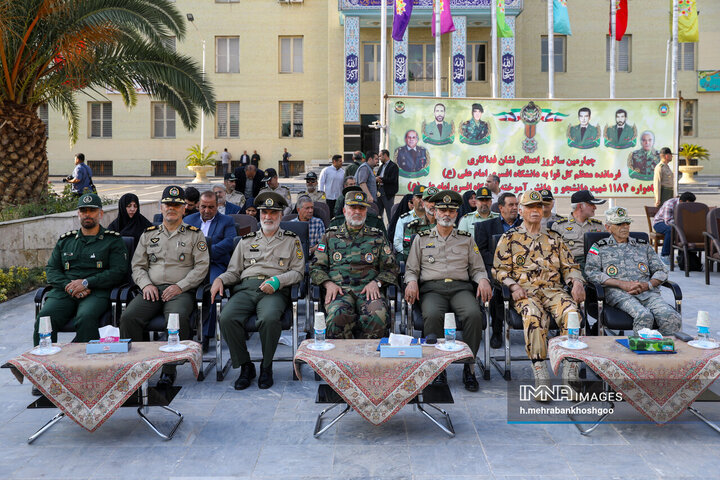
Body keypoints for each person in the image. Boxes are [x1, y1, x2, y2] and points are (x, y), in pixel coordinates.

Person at [493, 190, 585, 397]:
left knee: (572, 314)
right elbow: (498, 270)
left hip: (554, 291)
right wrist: (513, 286)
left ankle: (570, 371)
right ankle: (540, 372)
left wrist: (576, 282)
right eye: (530, 207)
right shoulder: (509, 238)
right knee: (533, 317)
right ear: (521, 211)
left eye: (538, 207)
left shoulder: (554, 238)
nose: (535, 211)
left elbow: (570, 266)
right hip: (526, 292)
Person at [211, 191, 304, 390]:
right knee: (227, 318)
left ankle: (266, 366)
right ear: (259, 215)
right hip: (245, 289)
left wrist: (278, 281)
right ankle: (245, 366)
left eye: (273, 213)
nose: (268, 217)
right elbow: (233, 272)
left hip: (275, 290)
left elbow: (298, 272)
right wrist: (220, 279)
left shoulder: (291, 240)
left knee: (269, 319)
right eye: (264, 213)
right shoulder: (246, 240)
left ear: (280, 215)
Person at [119, 186, 209, 388]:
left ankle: (169, 371)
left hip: (180, 292)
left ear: (184, 208)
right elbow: (138, 266)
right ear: (161, 206)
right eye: (168, 204)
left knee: (174, 320)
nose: (172, 208)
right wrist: (146, 284)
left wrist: (180, 286)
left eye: (177, 205)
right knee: (128, 317)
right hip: (151, 289)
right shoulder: (148, 234)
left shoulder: (195, 235)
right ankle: (137, 366)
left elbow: (202, 267)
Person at [404, 190, 492, 391]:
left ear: (456, 214)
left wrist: (484, 280)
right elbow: (411, 269)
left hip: (460, 288)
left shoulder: (466, 238)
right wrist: (411, 282)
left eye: (451, 211)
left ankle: (469, 367)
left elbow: (477, 268)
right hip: (432, 289)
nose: (446, 214)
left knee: (473, 314)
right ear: (434, 212)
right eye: (442, 210)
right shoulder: (422, 238)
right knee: (432, 315)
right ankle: (437, 368)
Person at [34, 192, 128, 346]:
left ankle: (86, 365)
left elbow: (118, 272)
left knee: (86, 317)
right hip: (65, 291)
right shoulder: (66, 241)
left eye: (92, 210)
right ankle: (44, 363)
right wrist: (69, 286)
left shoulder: (113, 240)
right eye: (83, 211)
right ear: (78, 214)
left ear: (100, 213)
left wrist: (86, 283)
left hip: (96, 291)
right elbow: (52, 269)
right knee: (45, 317)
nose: (87, 215)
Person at [311, 190, 399, 339]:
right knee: (337, 316)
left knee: (378, 315)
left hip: (368, 290)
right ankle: (340, 360)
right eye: (353, 208)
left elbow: (392, 268)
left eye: (361, 208)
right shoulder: (330, 236)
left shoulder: (377, 237)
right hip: (339, 290)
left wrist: (377, 283)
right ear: (345, 210)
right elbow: (316, 267)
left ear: (366, 211)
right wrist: (327, 284)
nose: (357, 212)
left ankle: (370, 360)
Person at [585, 206, 682, 336]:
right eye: (619, 224)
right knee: (644, 315)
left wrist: (648, 285)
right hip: (618, 293)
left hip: (647, 292)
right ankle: (640, 353)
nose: (625, 227)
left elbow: (661, 270)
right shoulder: (599, 247)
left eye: (627, 223)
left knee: (671, 316)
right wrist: (621, 284)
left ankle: (663, 350)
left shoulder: (643, 246)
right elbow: (591, 272)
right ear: (608, 227)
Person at [184, 190, 237, 350]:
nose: (207, 211)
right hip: (190, 265)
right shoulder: (188, 220)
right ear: (199, 205)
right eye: (203, 207)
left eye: (211, 207)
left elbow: (229, 242)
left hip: (215, 264)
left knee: (213, 288)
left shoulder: (226, 221)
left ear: (217, 206)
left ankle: (206, 335)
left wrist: (204, 252)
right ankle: (186, 332)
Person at [476, 192, 522, 348]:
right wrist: (501, 261)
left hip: (521, 269)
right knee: (498, 288)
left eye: (516, 205)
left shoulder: (524, 225)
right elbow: (481, 251)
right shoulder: (485, 226)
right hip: (494, 268)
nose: (515, 208)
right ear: (501, 207)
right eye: (511, 205)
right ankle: (496, 331)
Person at [550, 190, 605, 272]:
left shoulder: (599, 226)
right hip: (571, 266)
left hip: (595, 265)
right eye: (591, 204)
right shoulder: (559, 226)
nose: (595, 207)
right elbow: (552, 253)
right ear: (580, 206)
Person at [653, 191, 696, 264]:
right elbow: (668, 222)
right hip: (660, 223)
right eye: (687, 203)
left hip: (677, 225)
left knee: (687, 230)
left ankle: (682, 256)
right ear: (681, 201)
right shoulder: (670, 204)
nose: (688, 206)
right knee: (671, 230)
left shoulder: (688, 205)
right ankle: (665, 255)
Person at [401, 187, 439, 260]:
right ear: (423, 203)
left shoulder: (447, 226)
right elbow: (407, 254)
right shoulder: (411, 227)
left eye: (436, 201)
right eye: (429, 201)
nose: (432, 205)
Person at [393, 185, 425, 253]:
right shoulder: (404, 219)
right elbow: (398, 242)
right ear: (413, 200)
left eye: (424, 198)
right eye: (419, 197)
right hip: (407, 254)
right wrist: (410, 254)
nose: (421, 200)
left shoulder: (434, 218)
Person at [376, 149, 399, 224]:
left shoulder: (393, 166)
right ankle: (380, 231)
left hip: (388, 193)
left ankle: (390, 232)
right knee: (378, 213)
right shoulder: (381, 166)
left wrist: (381, 179)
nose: (379, 158)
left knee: (390, 213)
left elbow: (393, 179)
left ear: (385, 155)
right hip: (380, 191)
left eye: (380, 156)